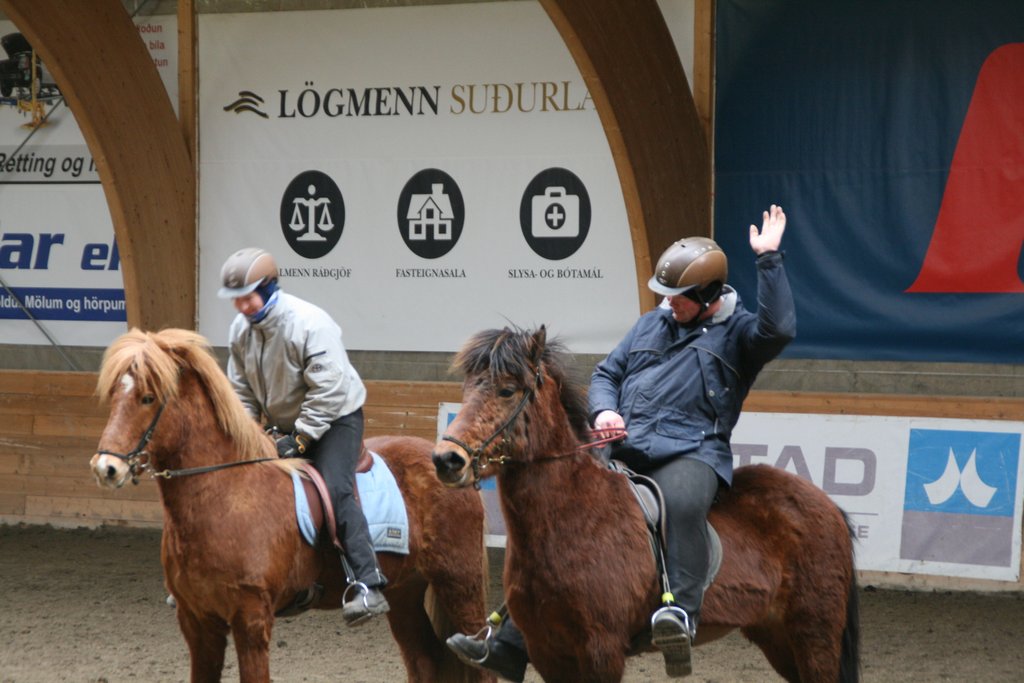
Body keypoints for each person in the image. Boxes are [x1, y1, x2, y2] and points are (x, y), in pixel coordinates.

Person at [446, 204, 795, 680]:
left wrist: (769, 259)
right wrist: (605, 411)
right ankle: (511, 637)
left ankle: (680, 612)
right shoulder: (652, 323)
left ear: (709, 294)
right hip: (622, 444)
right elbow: (608, 373)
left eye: (679, 296)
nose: (669, 302)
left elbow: (779, 329)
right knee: (556, 520)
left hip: (691, 452)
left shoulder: (740, 334)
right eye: (665, 294)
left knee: (681, 504)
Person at [217, 246, 390, 626]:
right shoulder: (240, 331)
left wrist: (301, 437)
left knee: (336, 488)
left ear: (269, 287)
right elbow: (241, 390)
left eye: (247, 297)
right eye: (235, 300)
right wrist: (248, 434)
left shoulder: (309, 322)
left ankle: (368, 583)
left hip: (335, 419)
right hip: (284, 424)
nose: (241, 306)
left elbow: (329, 388)